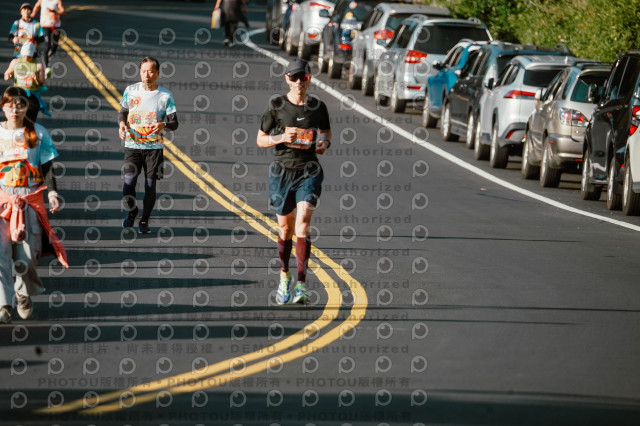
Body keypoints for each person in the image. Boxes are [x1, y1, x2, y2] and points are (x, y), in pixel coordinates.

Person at [256, 59, 331, 305]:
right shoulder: (276, 105)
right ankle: (284, 276)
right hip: (281, 172)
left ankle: (301, 285)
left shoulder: (318, 106)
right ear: (287, 79)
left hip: (309, 171)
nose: (299, 82)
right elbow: (261, 139)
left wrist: (324, 143)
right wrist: (281, 137)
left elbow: (326, 131)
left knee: (303, 224)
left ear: (309, 79)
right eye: (295, 77)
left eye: (304, 77)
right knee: (285, 229)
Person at [0, 86, 68, 324]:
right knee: (1, 253)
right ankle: (3, 305)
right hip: (2, 199)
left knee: (27, 255)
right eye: (10, 106)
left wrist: (53, 193)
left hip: (28, 200)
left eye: (20, 105)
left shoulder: (38, 133)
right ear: (3, 107)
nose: (15, 110)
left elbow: (47, 167)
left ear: (26, 107)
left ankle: (22, 293)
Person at [118, 57, 178, 234]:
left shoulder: (165, 96)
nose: (147, 75)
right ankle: (133, 211)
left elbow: (174, 123)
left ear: (157, 73)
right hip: (133, 145)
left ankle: (144, 219)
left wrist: (164, 125)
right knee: (128, 184)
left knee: (150, 185)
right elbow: (123, 112)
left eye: (151, 71)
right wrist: (121, 125)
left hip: (154, 148)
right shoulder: (131, 91)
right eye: (143, 71)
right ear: (139, 72)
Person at [3, 42, 46, 122]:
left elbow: (42, 82)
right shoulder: (15, 62)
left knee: (30, 119)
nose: (26, 57)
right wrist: (8, 75)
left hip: (31, 95)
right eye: (24, 55)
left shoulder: (38, 65)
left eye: (29, 56)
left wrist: (36, 78)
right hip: (18, 93)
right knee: (13, 116)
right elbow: (7, 73)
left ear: (33, 54)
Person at [31, 0, 65, 77]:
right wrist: (33, 14)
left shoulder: (57, 1)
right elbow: (37, 6)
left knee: (54, 47)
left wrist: (55, 11)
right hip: (45, 26)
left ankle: (48, 55)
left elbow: (63, 11)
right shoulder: (42, 0)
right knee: (47, 44)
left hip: (55, 26)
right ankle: (46, 67)